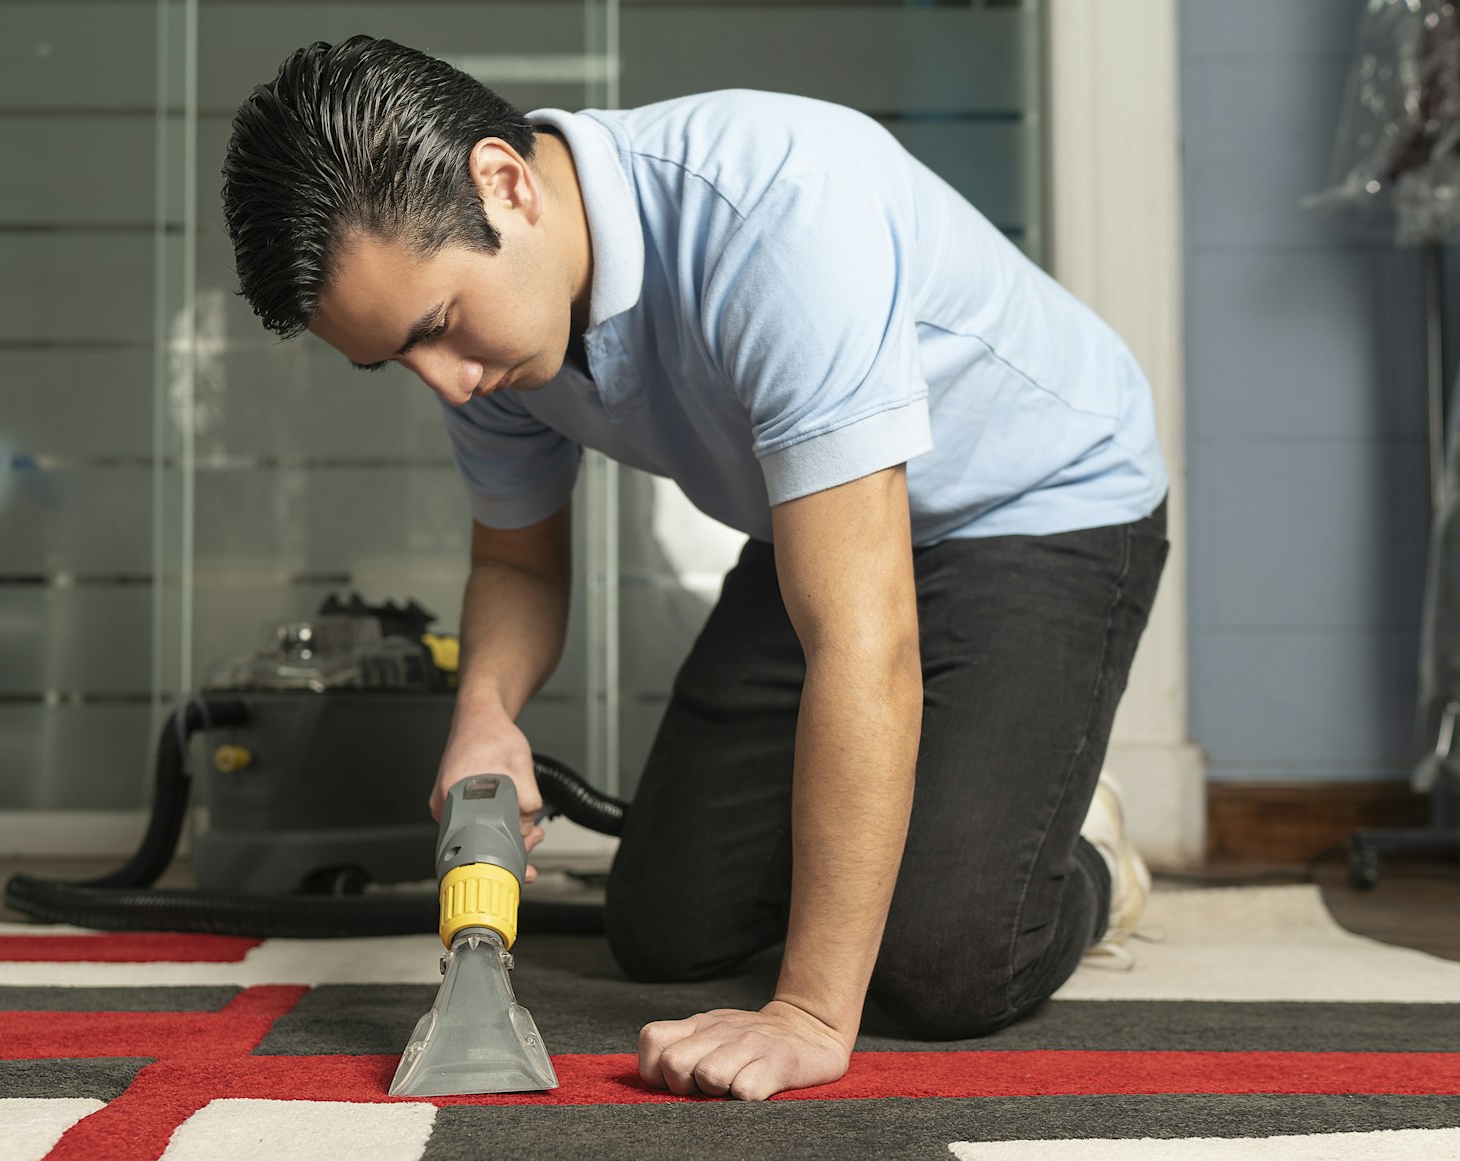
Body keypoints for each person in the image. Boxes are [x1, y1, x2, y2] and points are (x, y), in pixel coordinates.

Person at [220, 36, 1170, 1101]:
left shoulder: (776, 212)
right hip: (815, 522)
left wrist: (807, 1013)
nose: (444, 383)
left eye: (438, 327)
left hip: (1037, 504)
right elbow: (520, 563)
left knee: (940, 963)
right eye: (397, 355)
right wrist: (485, 710)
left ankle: (1077, 844)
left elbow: (864, 640)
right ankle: (969, 800)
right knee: (666, 928)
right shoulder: (496, 337)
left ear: (502, 183)